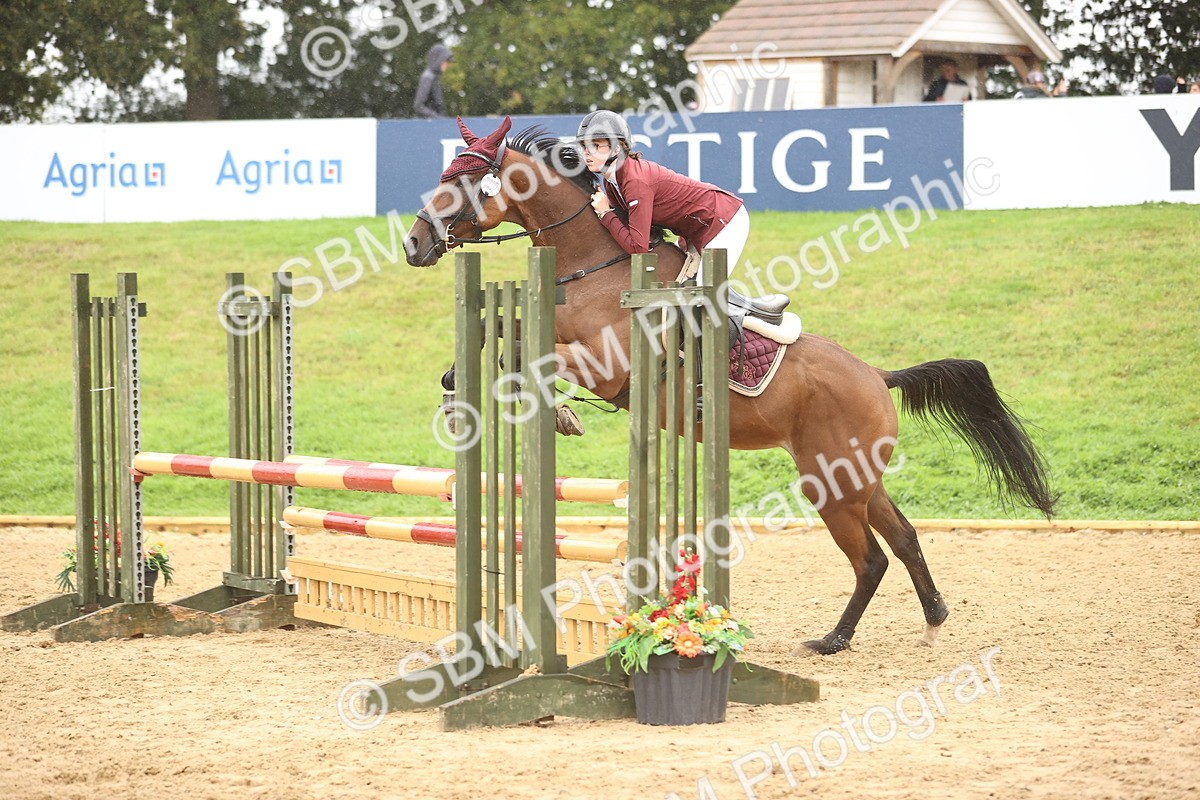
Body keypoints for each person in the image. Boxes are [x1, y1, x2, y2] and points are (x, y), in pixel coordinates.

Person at [576, 109, 788, 320]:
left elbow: (639, 248)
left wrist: (605, 213)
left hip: (724, 221)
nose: (587, 152)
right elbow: (629, 230)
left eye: (596, 145)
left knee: (702, 299)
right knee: (683, 286)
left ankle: (753, 331)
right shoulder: (611, 181)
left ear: (619, 147)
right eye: (584, 146)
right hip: (695, 231)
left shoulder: (634, 181)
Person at [413, 43, 452, 119]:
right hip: (427, 126)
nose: (447, 65)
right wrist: (437, 118)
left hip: (433, 125)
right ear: (439, 60)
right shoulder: (427, 78)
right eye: (446, 61)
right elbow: (418, 106)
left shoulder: (434, 78)